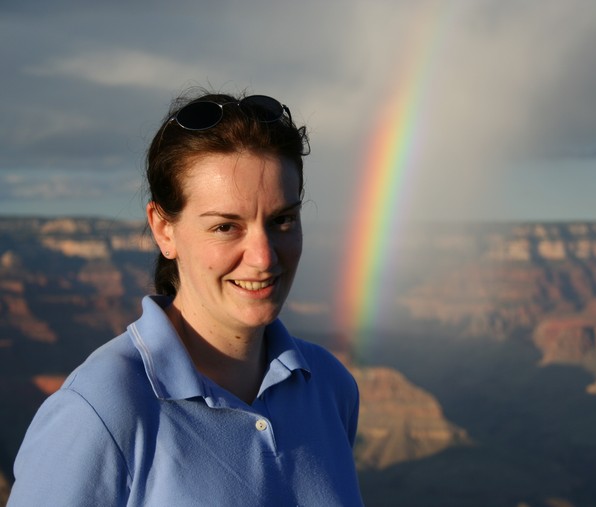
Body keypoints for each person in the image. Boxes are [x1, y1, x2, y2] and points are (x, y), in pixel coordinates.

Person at [8, 91, 364, 506]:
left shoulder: (328, 386)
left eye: (282, 220)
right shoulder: (100, 412)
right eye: (226, 227)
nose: (264, 256)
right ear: (164, 230)